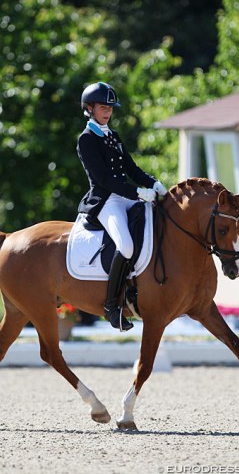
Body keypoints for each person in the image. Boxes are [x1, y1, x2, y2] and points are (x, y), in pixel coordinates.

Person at [76, 81, 167, 331]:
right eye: (103, 107)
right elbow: (104, 180)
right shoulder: (87, 139)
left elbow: (131, 169)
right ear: (89, 109)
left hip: (126, 196)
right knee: (125, 245)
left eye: (110, 108)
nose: (107, 112)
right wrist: (138, 192)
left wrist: (154, 183)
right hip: (106, 201)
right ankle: (111, 306)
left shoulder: (113, 136)